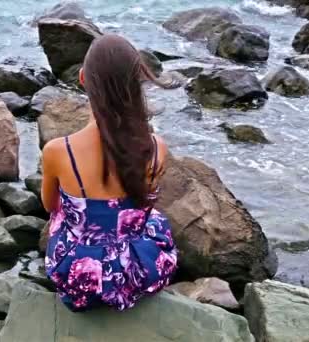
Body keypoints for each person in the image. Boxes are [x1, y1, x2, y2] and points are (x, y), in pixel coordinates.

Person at [41, 34, 178, 312]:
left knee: (63, 216)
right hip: (140, 271)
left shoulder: (58, 151)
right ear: (136, 83)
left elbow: (50, 207)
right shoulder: (155, 147)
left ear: (82, 78)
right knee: (153, 219)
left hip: (81, 277)